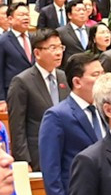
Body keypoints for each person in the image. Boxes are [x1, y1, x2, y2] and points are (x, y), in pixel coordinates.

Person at [37, 49, 105, 195]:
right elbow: (50, 168)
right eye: (96, 74)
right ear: (77, 81)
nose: (103, 79)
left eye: (103, 73)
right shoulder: (57, 115)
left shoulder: (105, 110)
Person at [5, 29, 70, 166]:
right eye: (53, 48)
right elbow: (17, 126)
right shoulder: (22, 81)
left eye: (60, 47)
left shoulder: (64, 77)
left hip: (66, 152)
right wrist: (24, 161)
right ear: (37, 53)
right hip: (38, 155)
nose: (59, 53)